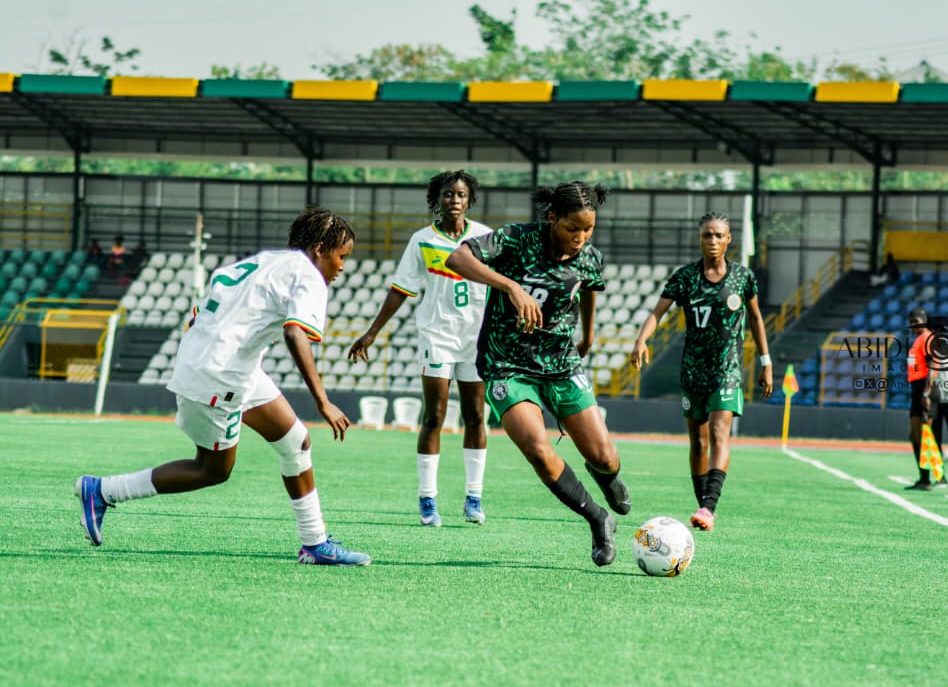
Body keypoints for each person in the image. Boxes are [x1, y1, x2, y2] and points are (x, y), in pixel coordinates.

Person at [74, 207, 371, 565]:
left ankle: (315, 543)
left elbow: (200, 315)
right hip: (221, 374)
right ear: (320, 249)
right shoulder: (309, 275)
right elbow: (295, 333)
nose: (342, 266)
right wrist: (322, 401)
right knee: (213, 470)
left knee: (296, 441)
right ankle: (103, 491)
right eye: (342, 256)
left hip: (225, 364)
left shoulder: (265, 261)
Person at [444, 181, 630, 567]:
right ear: (552, 218)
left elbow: (589, 287)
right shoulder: (516, 239)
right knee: (539, 451)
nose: (580, 237)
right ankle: (598, 519)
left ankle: (607, 476)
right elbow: (457, 259)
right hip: (506, 364)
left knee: (605, 456)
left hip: (561, 362)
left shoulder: (590, 257)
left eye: (588, 229)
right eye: (572, 228)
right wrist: (510, 286)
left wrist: (589, 335)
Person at [348, 171, 491, 527]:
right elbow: (401, 289)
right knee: (434, 415)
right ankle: (428, 499)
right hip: (437, 335)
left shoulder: (485, 237)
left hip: (476, 339)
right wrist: (372, 332)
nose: (454, 200)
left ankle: (474, 497)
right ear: (437, 199)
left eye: (460, 194)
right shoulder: (422, 240)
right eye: (448, 194)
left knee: (476, 416)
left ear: (469, 200)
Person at [630, 212, 772, 531]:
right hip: (693, 371)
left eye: (719, 235)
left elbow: (755, 318)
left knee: (720, 431)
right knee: (698, 442)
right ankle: (702, 504)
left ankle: (709, 507)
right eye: (707, 235)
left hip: (727, 369)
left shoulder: (743, 277)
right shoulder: (685, 277)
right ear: (699, 238)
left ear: (729, 239)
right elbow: (657, 312)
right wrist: (641, 339)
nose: (713, 240)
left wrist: (766, 363)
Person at [904, 307, 935, 490]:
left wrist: (926, 393)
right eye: (911, 322)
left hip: (924, 389)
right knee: (914, 435)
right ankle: (924, 477)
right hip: (916, 388)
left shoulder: (927, 338)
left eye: (916, 321)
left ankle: (930, 477)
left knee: (924, 435)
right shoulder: (918, 339)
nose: (913, 325)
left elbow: (933, 366)